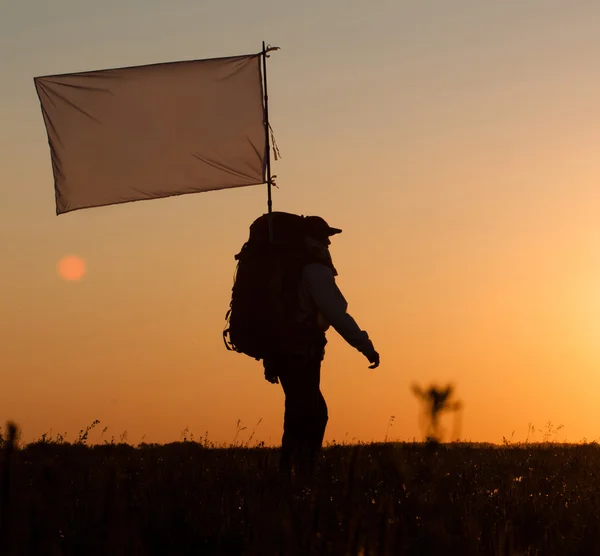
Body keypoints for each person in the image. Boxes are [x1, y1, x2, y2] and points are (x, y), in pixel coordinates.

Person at [263, 216, 380, 477]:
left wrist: (270, 359)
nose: (329, 241)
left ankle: (290, 473)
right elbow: (337, 315)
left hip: (284, 352)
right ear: (317, 240)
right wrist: (366, 346)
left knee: (298, 412)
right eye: (326, 237)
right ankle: (302, 473)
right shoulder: (315, 271)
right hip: (302, 353)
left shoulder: (290, 270)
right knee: (312, 414)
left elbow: (275, 316)